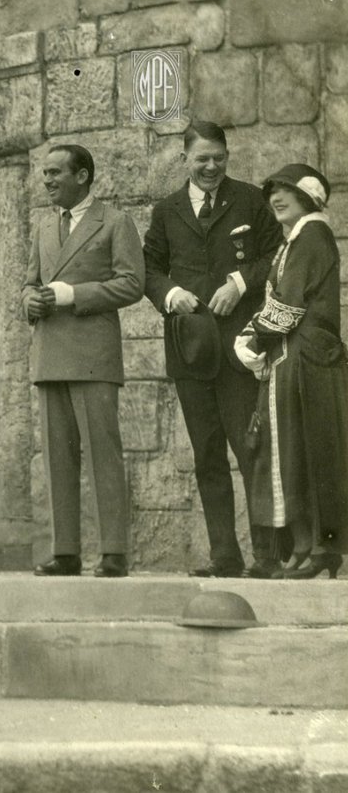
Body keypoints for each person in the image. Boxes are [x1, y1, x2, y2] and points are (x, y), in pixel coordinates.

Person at [143, 120, 286, 578]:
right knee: (207, 457)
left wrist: (240, 282)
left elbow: (277, 255)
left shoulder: (250, 200)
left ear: (227, 157)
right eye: (202, 159)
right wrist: (171, 294)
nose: (211, 167)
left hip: (240, 351)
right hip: (191, 351)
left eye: (218, 159)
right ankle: (225, 556)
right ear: (184, 159)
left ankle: (268, 558)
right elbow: (148, 269)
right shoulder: (166, 211)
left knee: (252, 452)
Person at [22, 144, 144, 578]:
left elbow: (132, 283)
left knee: (101, 455)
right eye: (45, 174)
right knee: (57, 458)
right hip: (50, 353)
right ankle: (66, 552)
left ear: (83, 176)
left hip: (93, 355)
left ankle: (113, 552)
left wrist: (74, 295)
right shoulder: (43, 226)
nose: (48, 180)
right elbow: (29, 282)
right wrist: (29, 301)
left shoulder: (114, 222)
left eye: (56, 172)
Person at [235, 164, 348, 579]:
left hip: (309, 360)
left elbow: (289, 303)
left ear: (308, 197)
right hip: (291, 357)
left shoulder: (313, 234)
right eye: (272, 192)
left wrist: (251, 340)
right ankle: (305, 548)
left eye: (286, 190)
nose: (275, 197)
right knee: (293, 454)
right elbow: (281, 300)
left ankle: (323, 548)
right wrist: (258, 338)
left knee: (313, 452)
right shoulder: (293, 241)